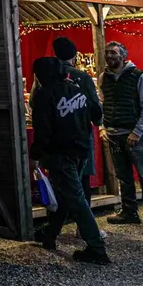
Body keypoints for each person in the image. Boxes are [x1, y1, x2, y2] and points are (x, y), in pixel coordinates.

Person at [29, 56, 110, 264]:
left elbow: (43, 131)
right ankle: (50, 235)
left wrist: (35, 155)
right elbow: (97, 112)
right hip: (82, 149)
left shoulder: (43, 96)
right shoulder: (78, 89)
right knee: (66, 195)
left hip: (59, 153)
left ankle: (96, 247)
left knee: (75, 199)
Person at [99, 41, 143, 230]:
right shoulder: (104, 77)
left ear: (123, 55)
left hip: (134, 136)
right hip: (114, 135)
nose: (110, 56)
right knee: (123, 176)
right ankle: (129, 212)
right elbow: (102, 104)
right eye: (107, 52)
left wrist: (137, 132)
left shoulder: (139, 76)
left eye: (114, 53)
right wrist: (103, 127)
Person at [52, 37, 103, 212]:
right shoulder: (82, 77)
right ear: (74, 57)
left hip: (55, 136)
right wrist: (98, 122)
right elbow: (96, 108)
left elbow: (36, 102)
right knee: (82, 180)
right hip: (80, 134)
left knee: (60, 180)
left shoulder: (45, 77)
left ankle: (58, 223)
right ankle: (83, 225)